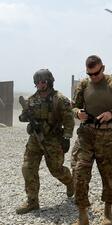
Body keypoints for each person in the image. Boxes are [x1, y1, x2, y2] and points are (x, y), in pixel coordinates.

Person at [72, 55, 112, 225]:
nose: (94, 77)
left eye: (96, 73)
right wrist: (77, 113)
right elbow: (74, 106)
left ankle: (108, 213)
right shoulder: (83, 84)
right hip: (86, 135)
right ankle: (83, 215)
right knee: (79, 172)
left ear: (102, 68)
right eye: (90, 74)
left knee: (108, 174)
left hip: (107, 136)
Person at [16, 69, 75, 214]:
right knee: (28, 168)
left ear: (49, 81)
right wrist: (25, 117)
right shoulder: (31, 99)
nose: (39, 85)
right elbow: (22, 116)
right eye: (36, 82)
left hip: (53, 140)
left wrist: (67, 137)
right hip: (35, 140)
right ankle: (32, 201)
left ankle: (71, 182)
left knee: (56, 170)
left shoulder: (60, 99)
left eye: (42, 82)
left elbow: (69, 119)